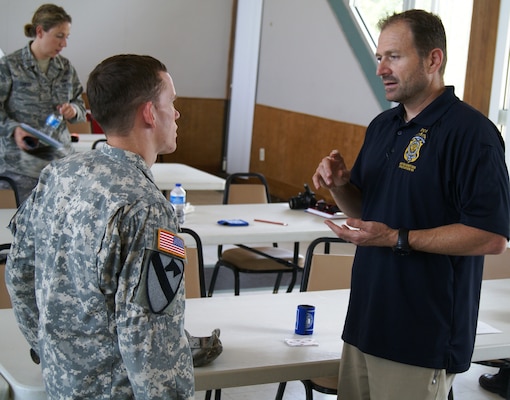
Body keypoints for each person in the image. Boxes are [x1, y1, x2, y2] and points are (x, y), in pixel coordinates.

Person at [312, 9, 510, 400]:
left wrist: (397, 237)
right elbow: (366, 212)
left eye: (394, 57)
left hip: (421, 336)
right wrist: (339, 187)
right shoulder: (383, 126)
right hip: (365, 324)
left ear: (433, 60)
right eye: (379, 57)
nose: (381, 68)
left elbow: (491, 237)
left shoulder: (472, 135)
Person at [5, 54, 194, 399]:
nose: (177, 113)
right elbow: (152, 341)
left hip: (61, 384)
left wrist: (51, 352)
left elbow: (18, 271)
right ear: (149, 113)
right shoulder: (148, 210)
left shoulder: (59, 174)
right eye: (172, 102)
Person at [0, 3, 86, 203]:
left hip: (59, 164)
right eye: (59, 36)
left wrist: (73, 110)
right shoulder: (9, 66)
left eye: (67, 37)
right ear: (40, 31)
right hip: (20, 166)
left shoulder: (65, 68)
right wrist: (14, 129)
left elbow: (80, 106)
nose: (64, 43)